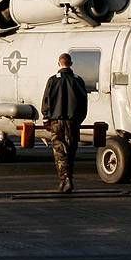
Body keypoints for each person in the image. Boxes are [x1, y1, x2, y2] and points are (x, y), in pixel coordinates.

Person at [41, 53, 88, 193]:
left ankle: (65, 179)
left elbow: (46, 101)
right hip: (73, 122)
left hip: (57, 121)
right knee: (71, 151)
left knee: (59, 151)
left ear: (58, 63)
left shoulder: (53, 81)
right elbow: (83, 103)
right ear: (71, 63)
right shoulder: (78, 81)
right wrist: (79, 120)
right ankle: (67, 179)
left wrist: (46, 119)